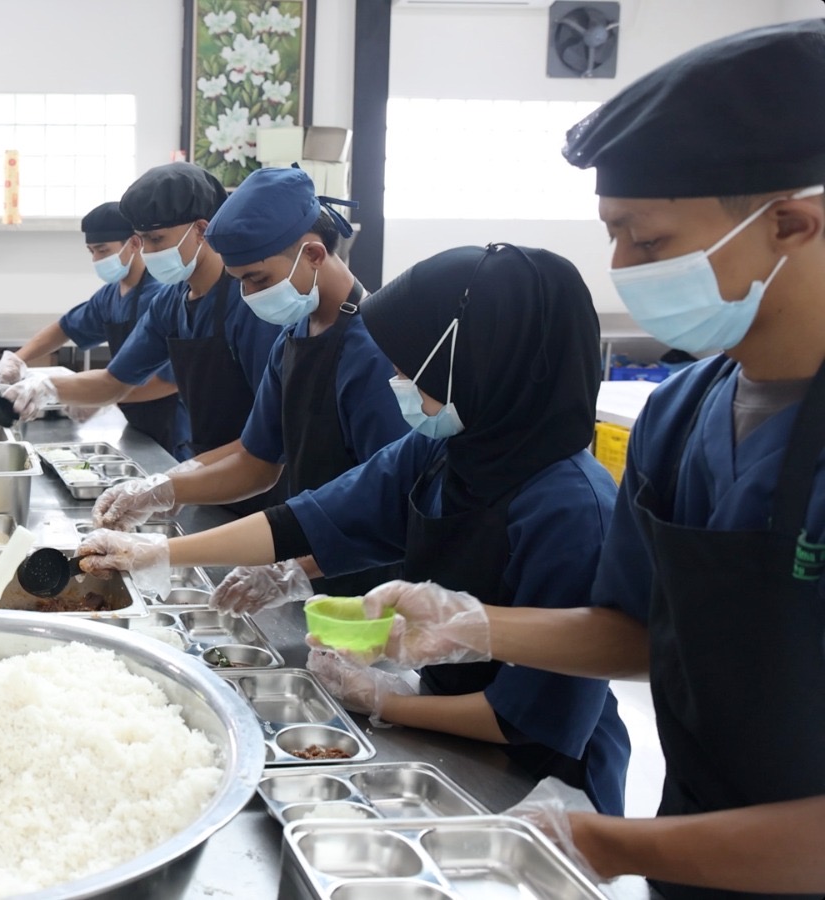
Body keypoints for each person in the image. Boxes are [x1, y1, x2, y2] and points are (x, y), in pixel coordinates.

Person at [357, 21, 825, 898]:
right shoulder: (682, 417)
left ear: (791, 223)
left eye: (646, 243)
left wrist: (607, 842)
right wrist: (472, 622)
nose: (618, 269)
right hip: (696, 851)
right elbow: (636, 630)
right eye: (610, 236)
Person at [78, 244, 630, 815]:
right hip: (450, 736)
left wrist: (384, 701)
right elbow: (311, 518)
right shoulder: (445, 450)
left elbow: (529, 719)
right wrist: (158, 552)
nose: (395, 380)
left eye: (408, 368)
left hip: (541, 783)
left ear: (478, 364)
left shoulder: (571, 511)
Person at [92, 166, 410, 597]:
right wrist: (158, 491)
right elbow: (255, 462)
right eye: (240, 282)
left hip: (371, 585)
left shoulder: (375, 353)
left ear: (314, 255)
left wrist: (296, 570)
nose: (249, 295)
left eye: (258, 279)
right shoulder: (293, 338)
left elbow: (388, 504)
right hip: (307, 556)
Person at [3, 163, 286, 514]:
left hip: (266, 485)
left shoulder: (249, 304)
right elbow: (112, 383)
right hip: (213, 478)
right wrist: (44, 388)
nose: (149, 252)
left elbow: (273, 432)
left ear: (201, 230)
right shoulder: (171, 301)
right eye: (143, 239)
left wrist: (182, 477)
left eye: (157, 240)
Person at [0, 201, 191, 458]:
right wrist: (17, 358)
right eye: (92, 252)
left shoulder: (161, 296)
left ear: (134, 243)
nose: (97, 259)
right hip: (137, 424)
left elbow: (167, 382)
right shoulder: (110, 296)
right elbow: (65, 328)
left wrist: (100, 395)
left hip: (173, 427)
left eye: (103, 250)